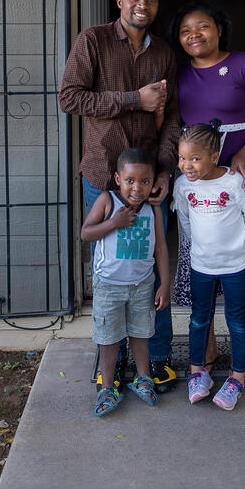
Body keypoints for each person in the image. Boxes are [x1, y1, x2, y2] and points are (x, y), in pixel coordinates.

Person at [58, 0, 181, 392]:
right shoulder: (93, 40)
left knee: (150, 261)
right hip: (102, 173)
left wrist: (165, 169)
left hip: (147, 181)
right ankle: (110, 354)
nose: (142, 5)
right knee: (110, 267)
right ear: (119, 1)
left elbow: (174, 118)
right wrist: (134, 99)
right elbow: (69, 97)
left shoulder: (163, 52)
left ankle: (158, 358)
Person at [169, 3, 245, 366]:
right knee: (197, 253)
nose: (194, 34)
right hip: (195, 181)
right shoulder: (178, 76)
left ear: (219, 29)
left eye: (202, 26)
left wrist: (244, 154)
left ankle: (239, 348)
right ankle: (204, 349)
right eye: (186, 30)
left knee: (242, 255)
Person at [174, 123, 245, 411]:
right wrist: (201, 248)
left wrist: (241, 247)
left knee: (237, 321)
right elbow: (186, 222)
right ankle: (198, 372)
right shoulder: (183, 186)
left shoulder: (233, 182)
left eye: (195, 159)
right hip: (202, 265)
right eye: (182, 158)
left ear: (215, 156)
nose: (187, 165)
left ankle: (238, 377)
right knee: (200, 319)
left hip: (236, 265)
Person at [80, 147, 171, 416]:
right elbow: (86, 233)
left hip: (142, 284)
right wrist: (113, 223)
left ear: (153, 183)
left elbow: (161, 248)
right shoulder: (108, 201)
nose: (137, 188)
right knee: (109, 339)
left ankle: (143, 378)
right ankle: (107, 386)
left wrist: (164, 284)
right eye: (130, 180)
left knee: (141, 333)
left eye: (145, 182)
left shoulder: (152, 209)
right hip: (109, 285)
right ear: (118, 179)